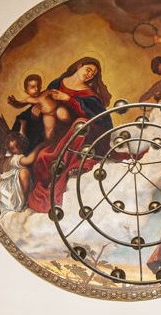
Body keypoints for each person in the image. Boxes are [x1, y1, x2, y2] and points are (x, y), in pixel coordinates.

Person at [25, 57, 113, 213]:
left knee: (79, 123)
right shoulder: (57, 83)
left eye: (93, 74)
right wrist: (38, 106)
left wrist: (69, 99)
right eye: (88, 69)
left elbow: (98, 117)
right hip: (59, 133)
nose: (89, 74)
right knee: (42, 156)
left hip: (81, 135)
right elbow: (45, 99)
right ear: (80, 66)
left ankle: (64, 170)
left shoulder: (89, 95)